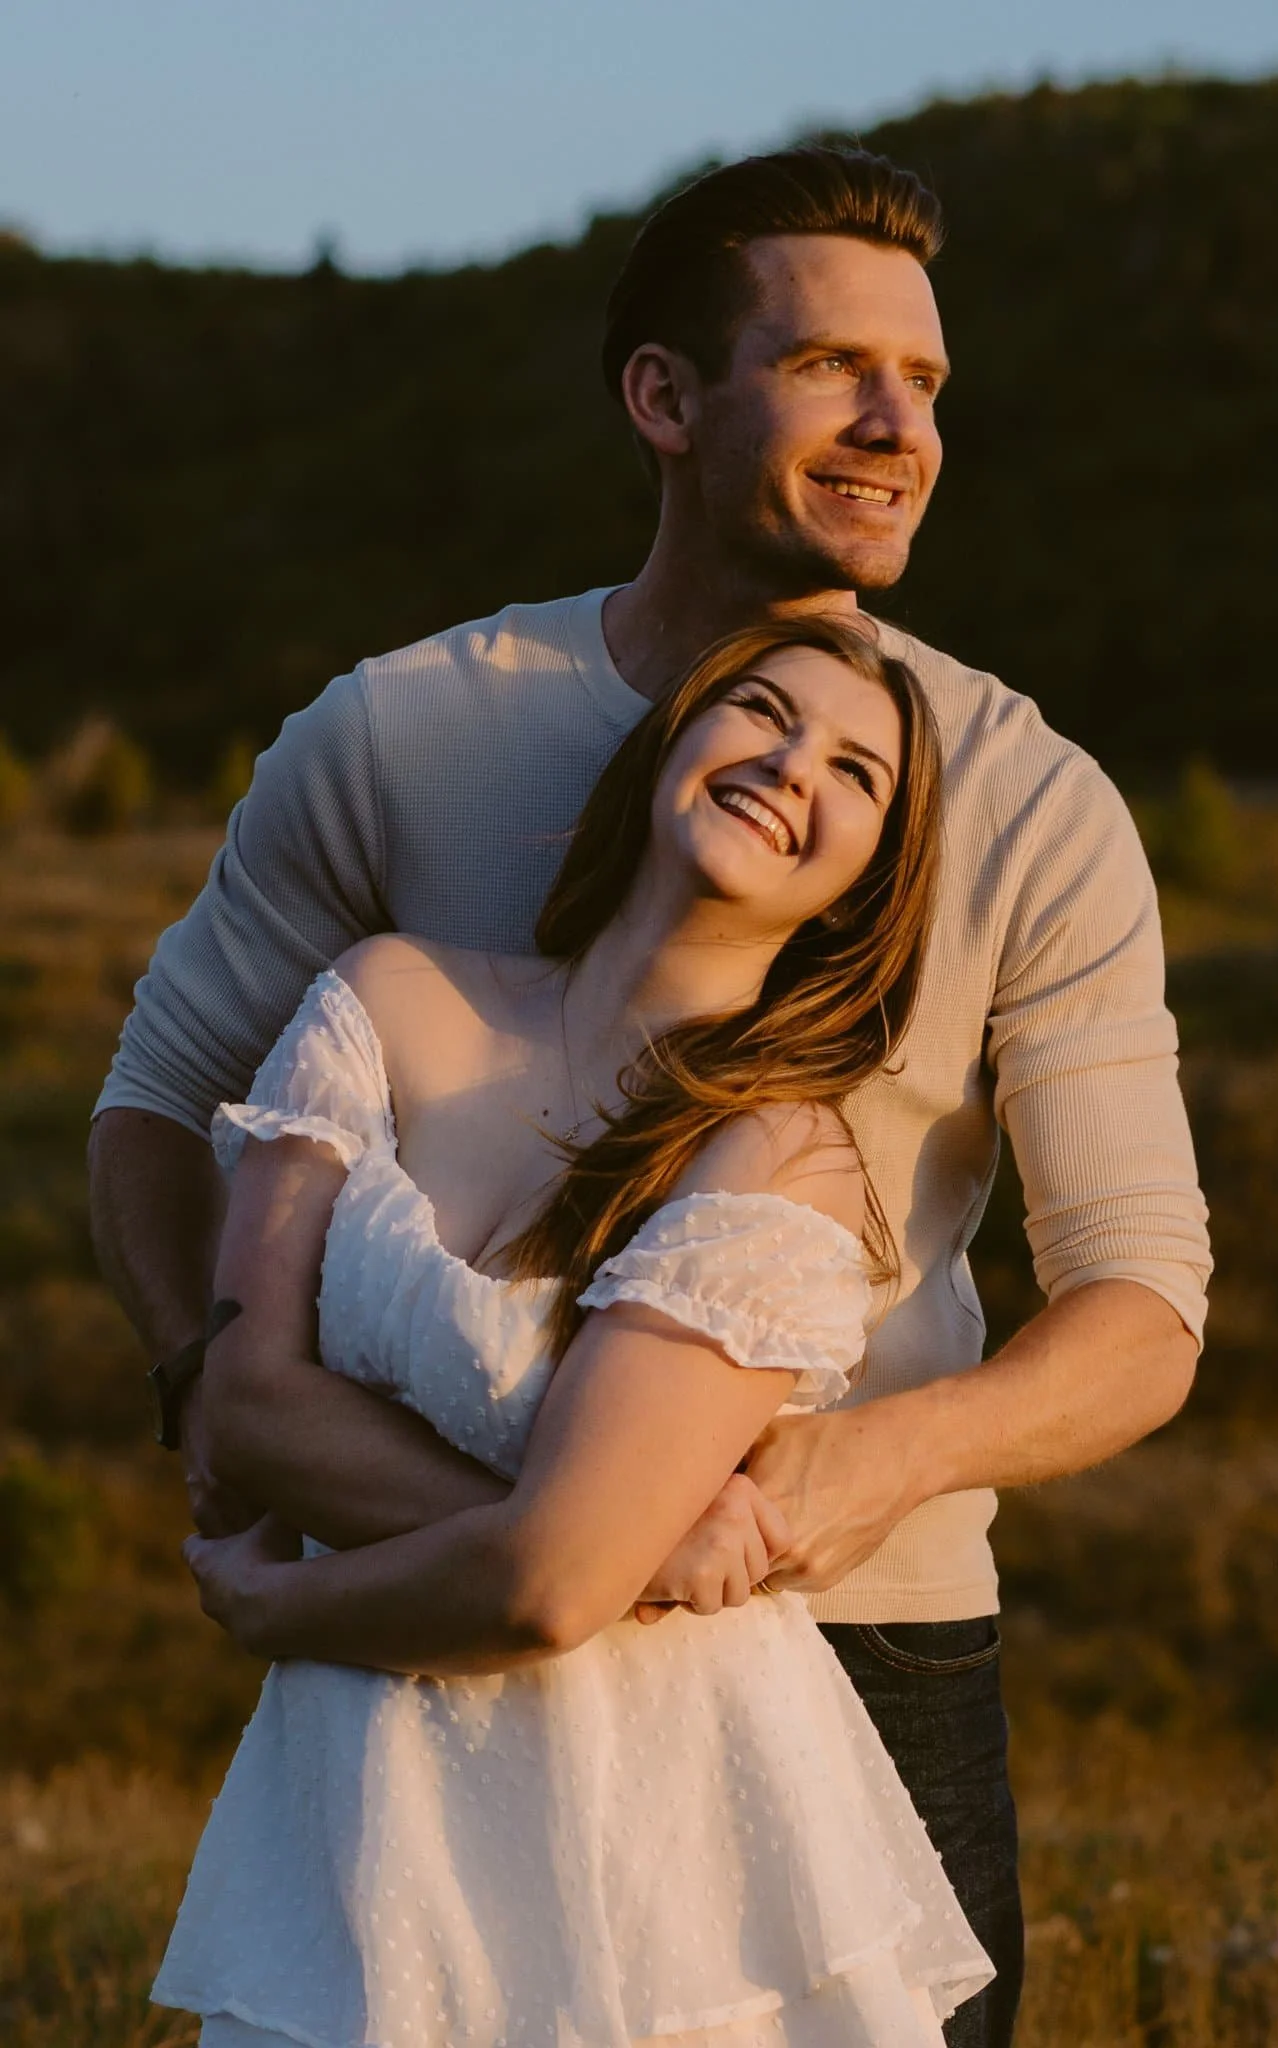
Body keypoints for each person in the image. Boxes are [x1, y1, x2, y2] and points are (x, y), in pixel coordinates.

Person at [89, 146, 1212, 2047]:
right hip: (421, 1652)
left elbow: (1142, 1307)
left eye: (927, 384)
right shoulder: (401, 732)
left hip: (861, 1649)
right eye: (834, 366)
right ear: (665, 399)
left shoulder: (1032, 799)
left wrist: (846, 1475)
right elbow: (152, 1110)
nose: (896, 425)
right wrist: (232, 1406)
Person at [152, 615, 995, 2046]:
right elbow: (241, 1412)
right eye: (763, 712)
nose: (794, 766)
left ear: (864, 889)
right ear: (674, 737)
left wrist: (290, 1603)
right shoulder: (386, 997)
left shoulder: (781, 1157)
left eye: (856, 772)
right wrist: (632, 1543)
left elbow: (548, 1590)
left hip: (669, 1841)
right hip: (367, 1805)